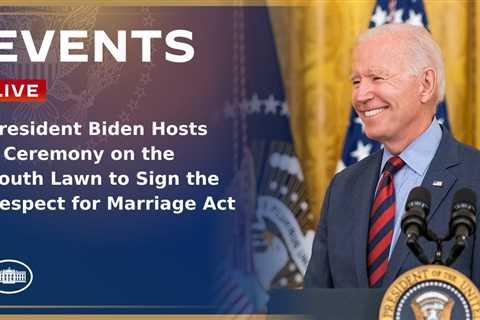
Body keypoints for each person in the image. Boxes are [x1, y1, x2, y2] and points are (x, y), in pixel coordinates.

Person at [304, 23, 480, 289]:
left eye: (377, 78)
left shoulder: (474, 176)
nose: (361, 96)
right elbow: (315, 304)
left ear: (425, 84)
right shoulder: (343, 187)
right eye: (356, 81)